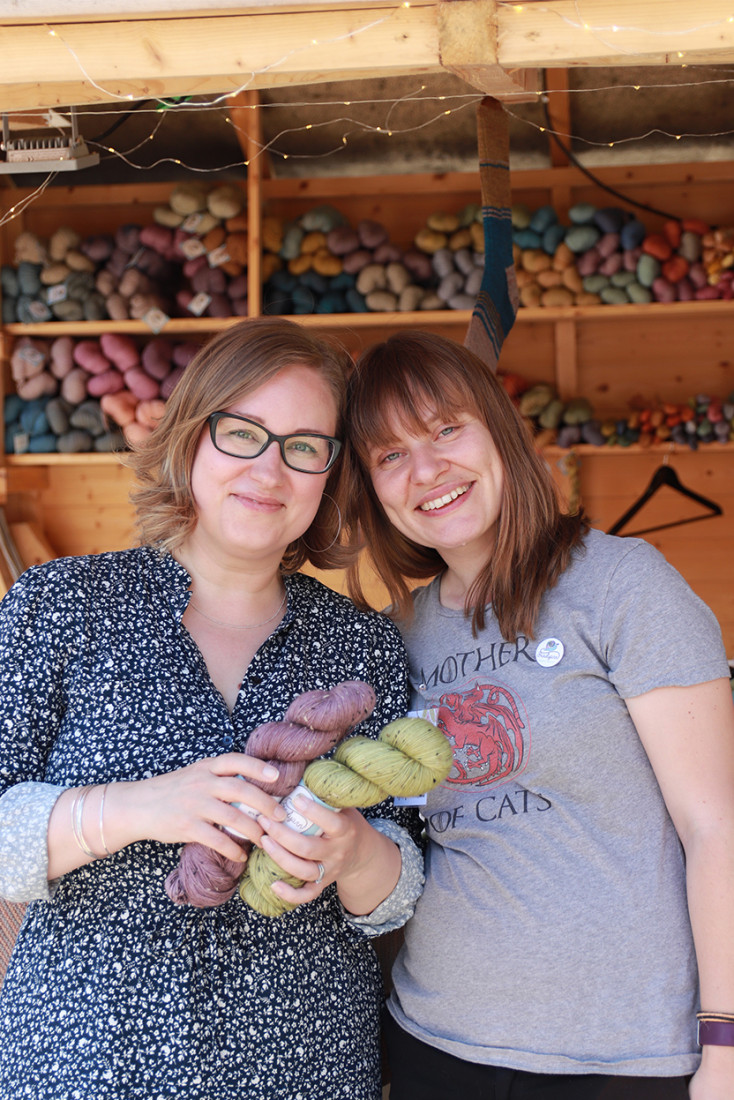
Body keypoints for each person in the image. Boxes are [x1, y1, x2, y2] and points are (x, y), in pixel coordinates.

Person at [0, 316, 425, 1100]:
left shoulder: (363, 647)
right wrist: (133, 808)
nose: (271, 469)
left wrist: (354, 853)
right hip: (86, 1064)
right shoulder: (63, 606)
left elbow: (403, 892)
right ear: (193, 437)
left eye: (304, 446)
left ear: (330, 475)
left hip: (304, 1069)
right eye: (244, 433)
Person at [344, 329, 734, 1100]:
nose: (426, 470)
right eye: (389, 455)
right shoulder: (400, 634)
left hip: (624, 1058)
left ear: (499, 428)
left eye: (446, 428)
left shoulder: (622, 585)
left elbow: (714, 827)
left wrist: (724, 1040)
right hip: (435, 1040)